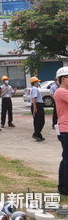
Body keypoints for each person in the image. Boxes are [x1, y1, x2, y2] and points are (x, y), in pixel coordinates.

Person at [53, 67, 68, 195]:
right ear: (64, 79)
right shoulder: (61, 92)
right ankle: (64, 188)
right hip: (66, 129)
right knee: (67, 159)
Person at [29, 76, 45, 142]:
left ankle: (38, 135)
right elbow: (34, 98)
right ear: (34, 83)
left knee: (36, 121)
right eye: (37, 82)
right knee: (41, 121)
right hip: (38, 105)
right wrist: (35, 107)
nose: (38, 83)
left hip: (36, 104)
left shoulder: (33, 89)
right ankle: (36, 134)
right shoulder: (35, 89)